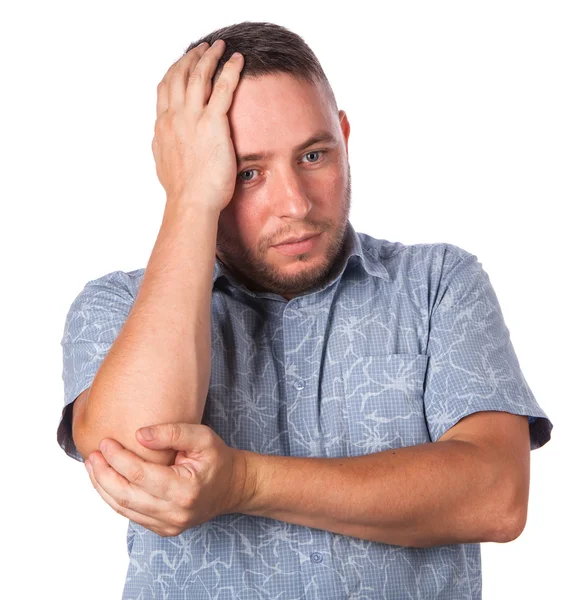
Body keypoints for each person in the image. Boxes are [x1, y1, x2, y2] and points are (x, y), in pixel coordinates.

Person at [57, 20, 553, 600]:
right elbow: (137, 464)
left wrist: (244, 481)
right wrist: (189, 202)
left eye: (314, 155)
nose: (294, 203)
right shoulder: (115, 307)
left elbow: (496, 498)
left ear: (344, 136)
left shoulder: (438, 284)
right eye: (247, 172)